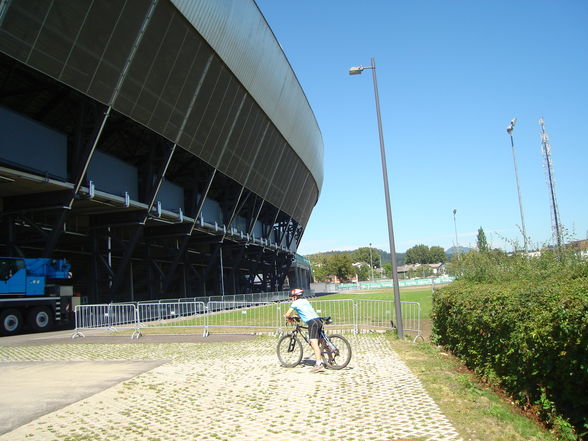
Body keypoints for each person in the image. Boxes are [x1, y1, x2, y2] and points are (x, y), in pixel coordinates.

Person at [284, 288, 325, 372]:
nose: (291, 298)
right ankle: (331, 360)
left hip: (312, 322)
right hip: (318, 320)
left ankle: (318, 364)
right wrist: (297, 316)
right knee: (322, 341)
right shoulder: (305, 301)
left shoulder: (295, 303)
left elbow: (287, 314)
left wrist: (288, 317)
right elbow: (305, 312)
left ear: (295, 296)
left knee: (313, 342)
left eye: (292, 296)